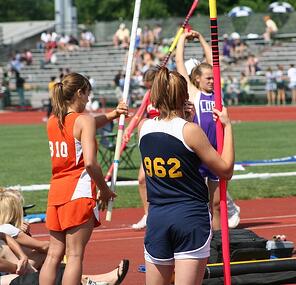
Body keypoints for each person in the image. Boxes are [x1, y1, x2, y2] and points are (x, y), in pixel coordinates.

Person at [138, 67, 234, 285]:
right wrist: (227, 127)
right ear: (184, 97)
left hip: (158, 218)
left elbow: (172, 144)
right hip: (189, 217)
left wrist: (186, 119)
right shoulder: (190, 130)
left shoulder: (144, 128)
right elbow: (225, 169)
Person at [39, 73, 128, 285]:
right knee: (75, 255)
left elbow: (82, 126)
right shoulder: (84, 120)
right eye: (87, 94)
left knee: (53, 255)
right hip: (78, 192)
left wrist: (112, 114)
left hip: (56, 193)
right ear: (79, 93)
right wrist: (104, 189)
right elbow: (90, 162)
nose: (88, 99)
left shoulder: (53, 121)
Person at [176, 30, 240, 230]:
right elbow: (179, 63)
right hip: (196, 155)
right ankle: (198, 239)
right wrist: (183, 40)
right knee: (197, 204)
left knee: (216, 205)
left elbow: (214, 60)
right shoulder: (193, 92)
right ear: (197, 80)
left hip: (216, 154)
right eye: (208, 79)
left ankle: (217, 244)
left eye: (213, 78)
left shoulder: (217, 93)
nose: (212, 81)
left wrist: (202, 38)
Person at [128, 67, 159, 230]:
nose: (148, 89)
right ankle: (148, 215)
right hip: (149, 143)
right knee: (142, 179)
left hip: (165, 141)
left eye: (150, 85)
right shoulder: (149, 95)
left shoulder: (167, 95)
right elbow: (139, 115)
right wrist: (128, 130)